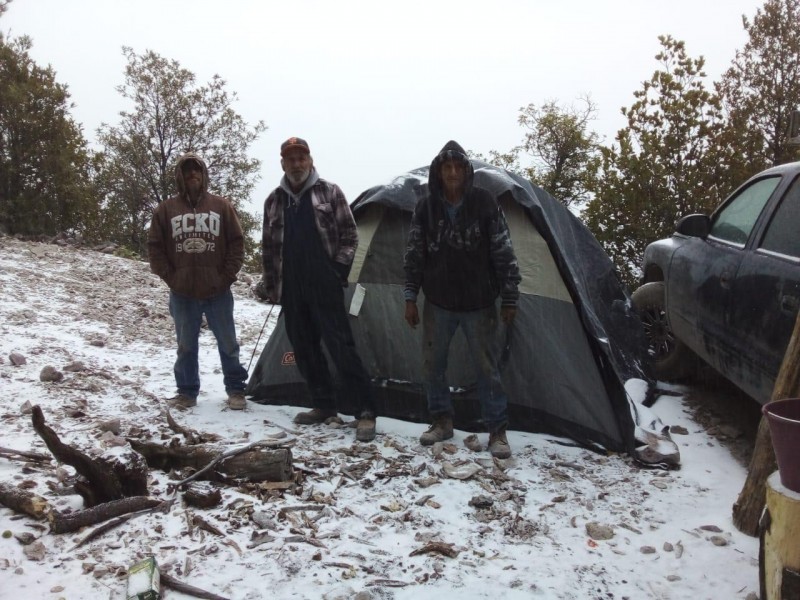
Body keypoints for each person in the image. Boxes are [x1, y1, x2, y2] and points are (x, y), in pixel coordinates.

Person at [403, 141, 521, 458]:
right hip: (438, 302)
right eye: (447, 167)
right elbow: (414, 254)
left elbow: (503, 250)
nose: (453, 172)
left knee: (488, 370)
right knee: (432, 366)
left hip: (479, 302)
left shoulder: (484, 202)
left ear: (466, 172)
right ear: (438, 172)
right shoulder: (425, 207)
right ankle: (441, 420)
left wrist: (510, 297)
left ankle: (497, 431)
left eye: (458, 167)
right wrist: (410, 296)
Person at [261, 137, 377, 442]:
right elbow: (269, 248)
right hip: (293, 288)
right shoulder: (274, 201)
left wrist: (336, 270)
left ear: (310, 160)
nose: (297, 164)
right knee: (304, 350)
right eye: (291, 159)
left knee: (342, 348)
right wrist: (273, 286)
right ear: (282, 163)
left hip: (324, 285)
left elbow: (351, 236)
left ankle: (365, 411)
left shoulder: (330, 192)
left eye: (302, 158)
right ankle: (324, 405)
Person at [148, 153, 249, 411]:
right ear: (179, 176)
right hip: (182, 292)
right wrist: (171, 276)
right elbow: (155, 247)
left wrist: (226, 276)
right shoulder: (165, 209)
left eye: (196, 169)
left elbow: (237, 242)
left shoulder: (222, 206)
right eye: (187, 170)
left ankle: (236, 390)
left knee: (228, 343)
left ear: (204, 174)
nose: (192, 173)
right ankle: (187, 392)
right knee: (185, 346)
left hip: (218, 291)